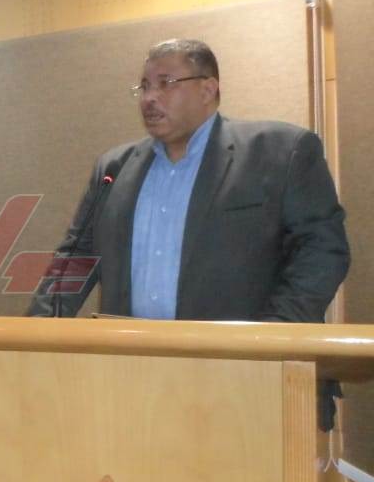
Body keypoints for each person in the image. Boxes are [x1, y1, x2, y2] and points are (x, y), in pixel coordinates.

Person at [28, 39, 350, 424]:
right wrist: (33, 338)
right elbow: (76, 260)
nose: (150, 97)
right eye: (144, 86)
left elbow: (322, 250)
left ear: (208, 89)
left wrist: (270, 339)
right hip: (132, 384)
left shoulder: (281, 151)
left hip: (248, 384)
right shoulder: (114, 168)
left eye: (166, 83)